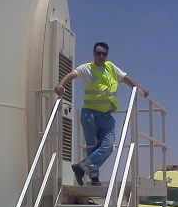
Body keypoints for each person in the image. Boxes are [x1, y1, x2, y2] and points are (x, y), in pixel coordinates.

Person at [54, 42, 149, 186]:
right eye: (98, 53)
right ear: (93, 54)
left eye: (104, 54)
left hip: (106, 115)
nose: (101, 56)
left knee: (108, 146)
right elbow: (71, 75)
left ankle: (81, 168)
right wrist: (61, 85)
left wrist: (140, 89)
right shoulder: (87, 68)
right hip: (90, 114)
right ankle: (94, 178)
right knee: (92, 146)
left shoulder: (111, 67)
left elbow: (125, 79)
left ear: (107, 55)